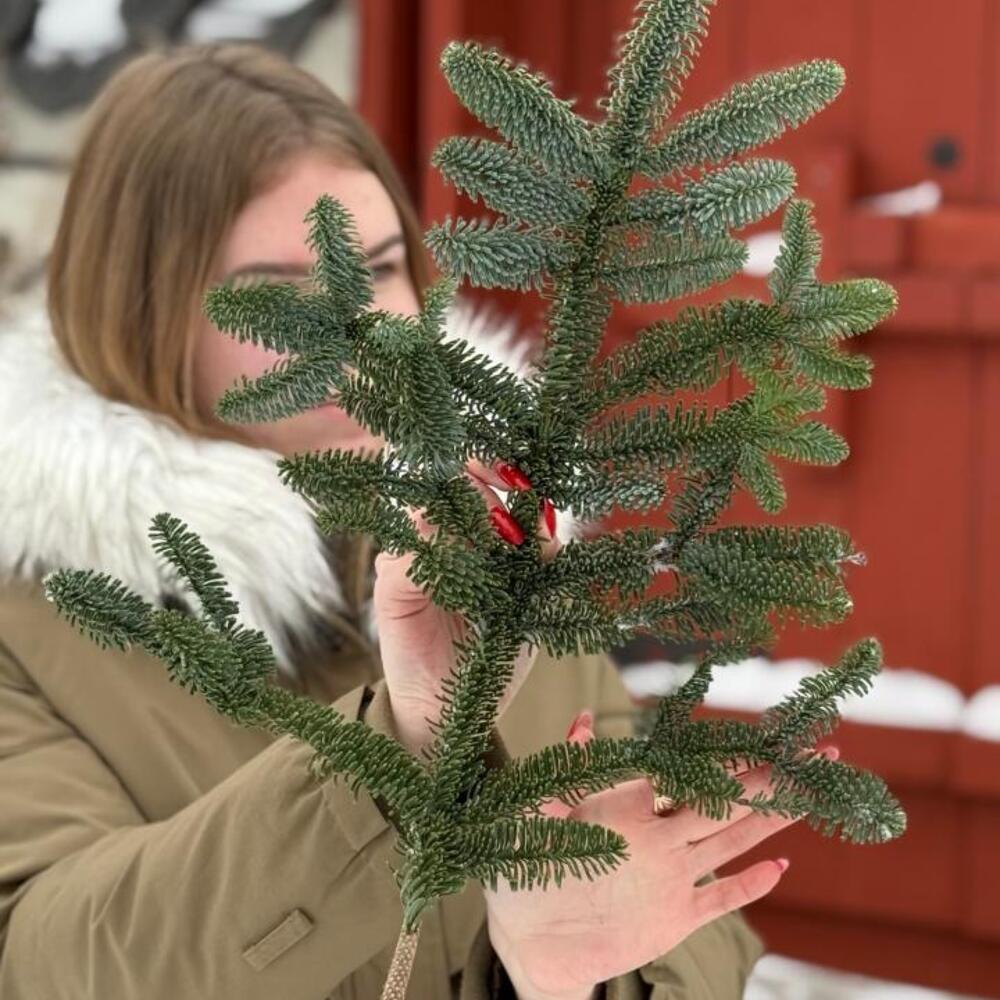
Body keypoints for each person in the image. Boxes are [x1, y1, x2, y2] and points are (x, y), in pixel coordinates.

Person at [0, 43, 804, 1000]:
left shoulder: (502, 549)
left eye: (377, 267)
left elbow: (694, 917)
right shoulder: (28, 620)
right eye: (279, 293)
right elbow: (47, 962)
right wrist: (398, 748)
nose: (361, 334)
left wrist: (566, 977)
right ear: (140, 311)